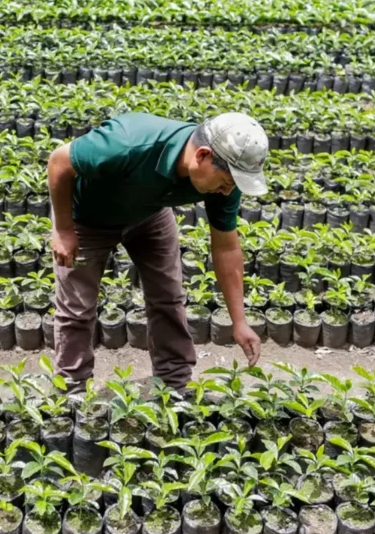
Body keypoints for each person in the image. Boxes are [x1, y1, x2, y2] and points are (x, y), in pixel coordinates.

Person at [47, 111, 268, 391]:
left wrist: (239, 322)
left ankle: (174, 383)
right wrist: (64, 229)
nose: (227, 192)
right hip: (86, 218)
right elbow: (59, 161)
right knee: (77, 307)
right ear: (202, 155)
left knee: (168, 297)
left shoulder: (225, 180)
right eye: (225, 183)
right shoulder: (127, 144)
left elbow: (227, 247)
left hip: (149, 215)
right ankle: (72, 388)